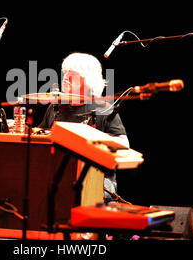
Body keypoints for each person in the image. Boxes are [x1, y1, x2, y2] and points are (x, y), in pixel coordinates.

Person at [38, 52, 129, 202]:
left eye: (72, 74)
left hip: (100, 179)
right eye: (65, 73)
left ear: (88, 80)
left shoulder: (104, 108)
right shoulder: (55, 107)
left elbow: (124, 144)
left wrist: (90, 142)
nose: (65, 78)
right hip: (60, 175)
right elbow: (41, 135)